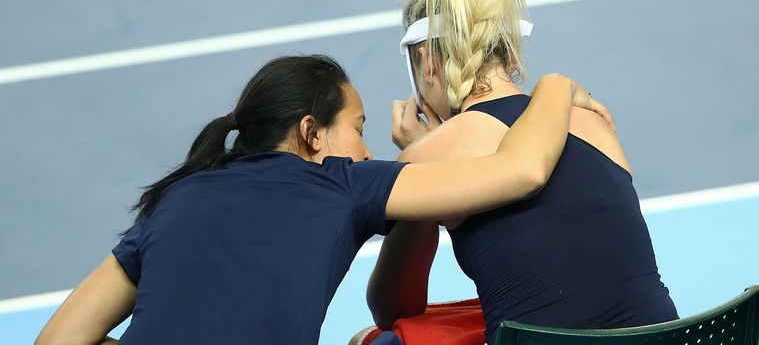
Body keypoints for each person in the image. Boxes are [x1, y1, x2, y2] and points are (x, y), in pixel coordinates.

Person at [35, 54, 606, 345]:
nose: (365, 146)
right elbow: (523, 169)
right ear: (312, 133)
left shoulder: (176, 198)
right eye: (356, 127)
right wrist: (554, 86)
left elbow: (58, 340)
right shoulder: (342, 184)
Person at [364, 0, 678, 345]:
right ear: (511, 50)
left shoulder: (427, 158)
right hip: (675, 339)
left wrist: (418, 170)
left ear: (426, 61)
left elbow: (393, 306)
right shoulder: (593, 123)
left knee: (376, 340)